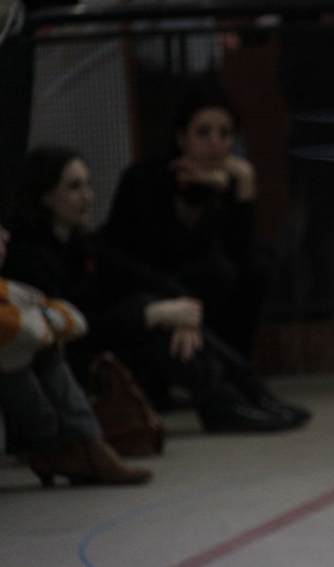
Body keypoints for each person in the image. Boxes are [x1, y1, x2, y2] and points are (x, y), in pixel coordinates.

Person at [2, 146, 310, 433]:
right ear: (45, 195)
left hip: (105, 345)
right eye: (74, 187)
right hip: (65, 361)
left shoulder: (82, 246)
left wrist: (181, 309)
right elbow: (70, 327)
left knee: (163, 309)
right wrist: (149, 314)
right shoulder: (27, 256)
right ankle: (223, 402)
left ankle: (249, 392)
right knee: (150, 318)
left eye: (87, 185)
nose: (87, 196)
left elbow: (143, 276)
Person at [100, 81, 269, 359]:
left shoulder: (225, 183)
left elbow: (245, 256)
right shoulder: (146, 179)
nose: (215, 142)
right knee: (218, 276)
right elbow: (137, 255)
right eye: (204, 132)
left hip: (198, 288)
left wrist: (244, 186)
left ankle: (236, 364)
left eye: (225, 133)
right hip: (144, 285)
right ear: (182, 138)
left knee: (254, 271)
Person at [0, 221, 152, 486]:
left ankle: (84, 444)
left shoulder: (8, 288)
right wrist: (44, 320)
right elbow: (28, 330)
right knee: (18, 352)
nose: (5, 235)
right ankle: (62, 447)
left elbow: (73, 319)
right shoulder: (26, 263)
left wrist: (41, 321)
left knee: (38, 349)